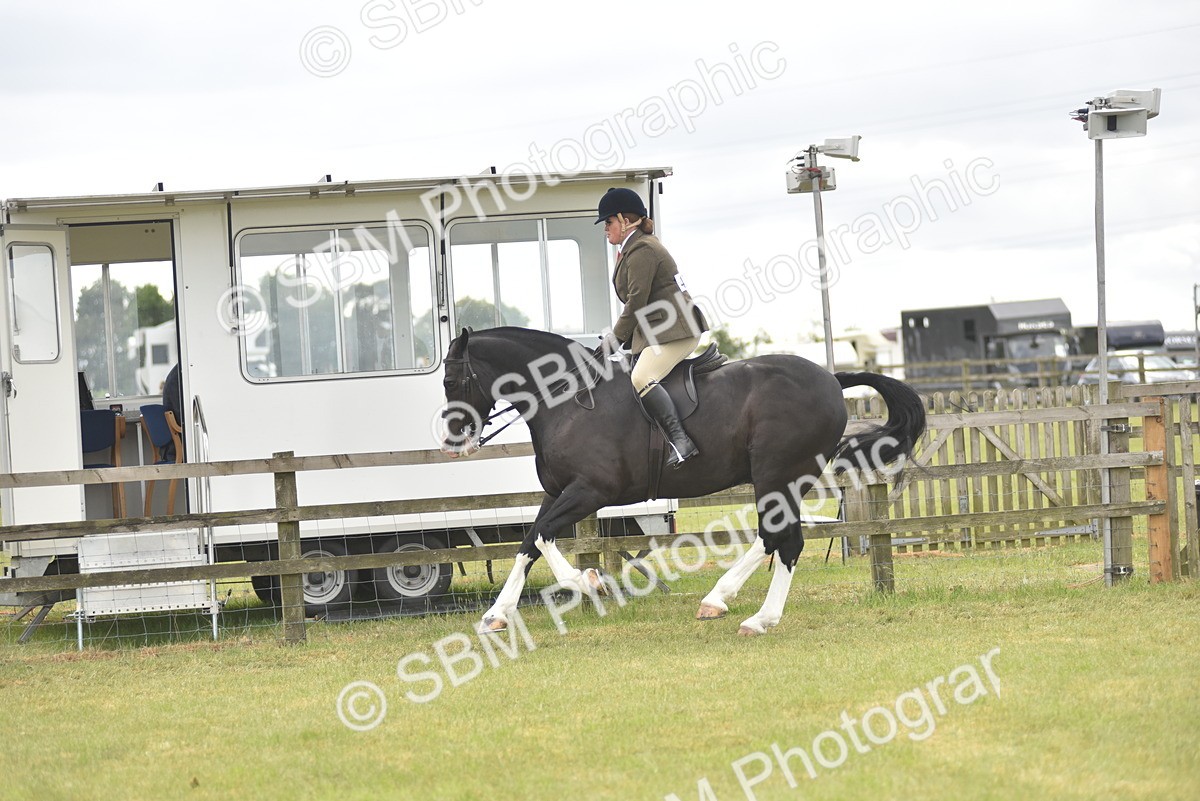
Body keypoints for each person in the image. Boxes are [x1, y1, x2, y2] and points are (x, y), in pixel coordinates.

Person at [596, 187, 709, 467]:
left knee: (641, 377)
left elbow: (635, 303)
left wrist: (614, 339)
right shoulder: (632, 249)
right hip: (658, 330)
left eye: (608, 222)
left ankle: (681, 441)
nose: (605, 229)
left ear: (625, 221)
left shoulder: (643, 249)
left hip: (676, 330)